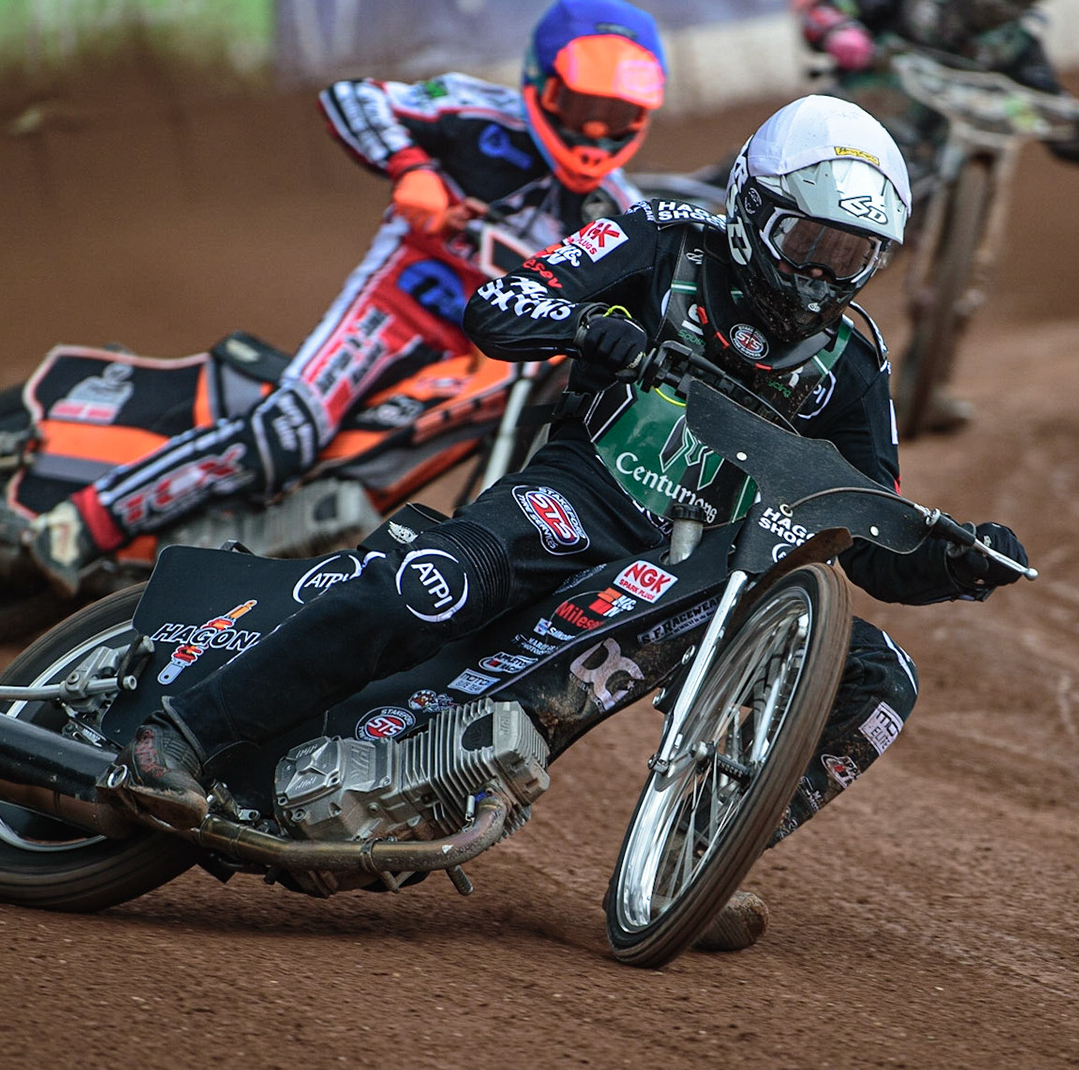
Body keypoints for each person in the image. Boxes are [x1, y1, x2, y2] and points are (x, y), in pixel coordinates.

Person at [117, 95, 1031, 938]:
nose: (824, 276)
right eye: (809, 242)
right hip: (581, 498)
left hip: (711, 574)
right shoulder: (667, 239)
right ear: (753, 208)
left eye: (853, 256)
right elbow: (502, 304)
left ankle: (698, 861)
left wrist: (955, 563)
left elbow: (867, 532)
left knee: (881, 683)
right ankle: (182, 732)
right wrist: (586, 325)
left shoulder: (853, 367)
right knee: (434, 584)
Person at [25, 0, 668, 594]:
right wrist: (413, 169)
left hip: (483, 362)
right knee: (289, 432)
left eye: (618, 118)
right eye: (581, 108)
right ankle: (83, 521)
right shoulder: (473, 112)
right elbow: (350, 97)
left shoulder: (621, 211)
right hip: (393, 308)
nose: (595, 133)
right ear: (540, 83)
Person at [791, 0, 1079, 430]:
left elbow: (1055, 124)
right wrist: (840, 30)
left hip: (947, 166)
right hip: (845, 136)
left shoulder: (1018, 45)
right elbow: (829, 8)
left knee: (980, 239)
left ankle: (929, 380)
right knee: (779, 216)